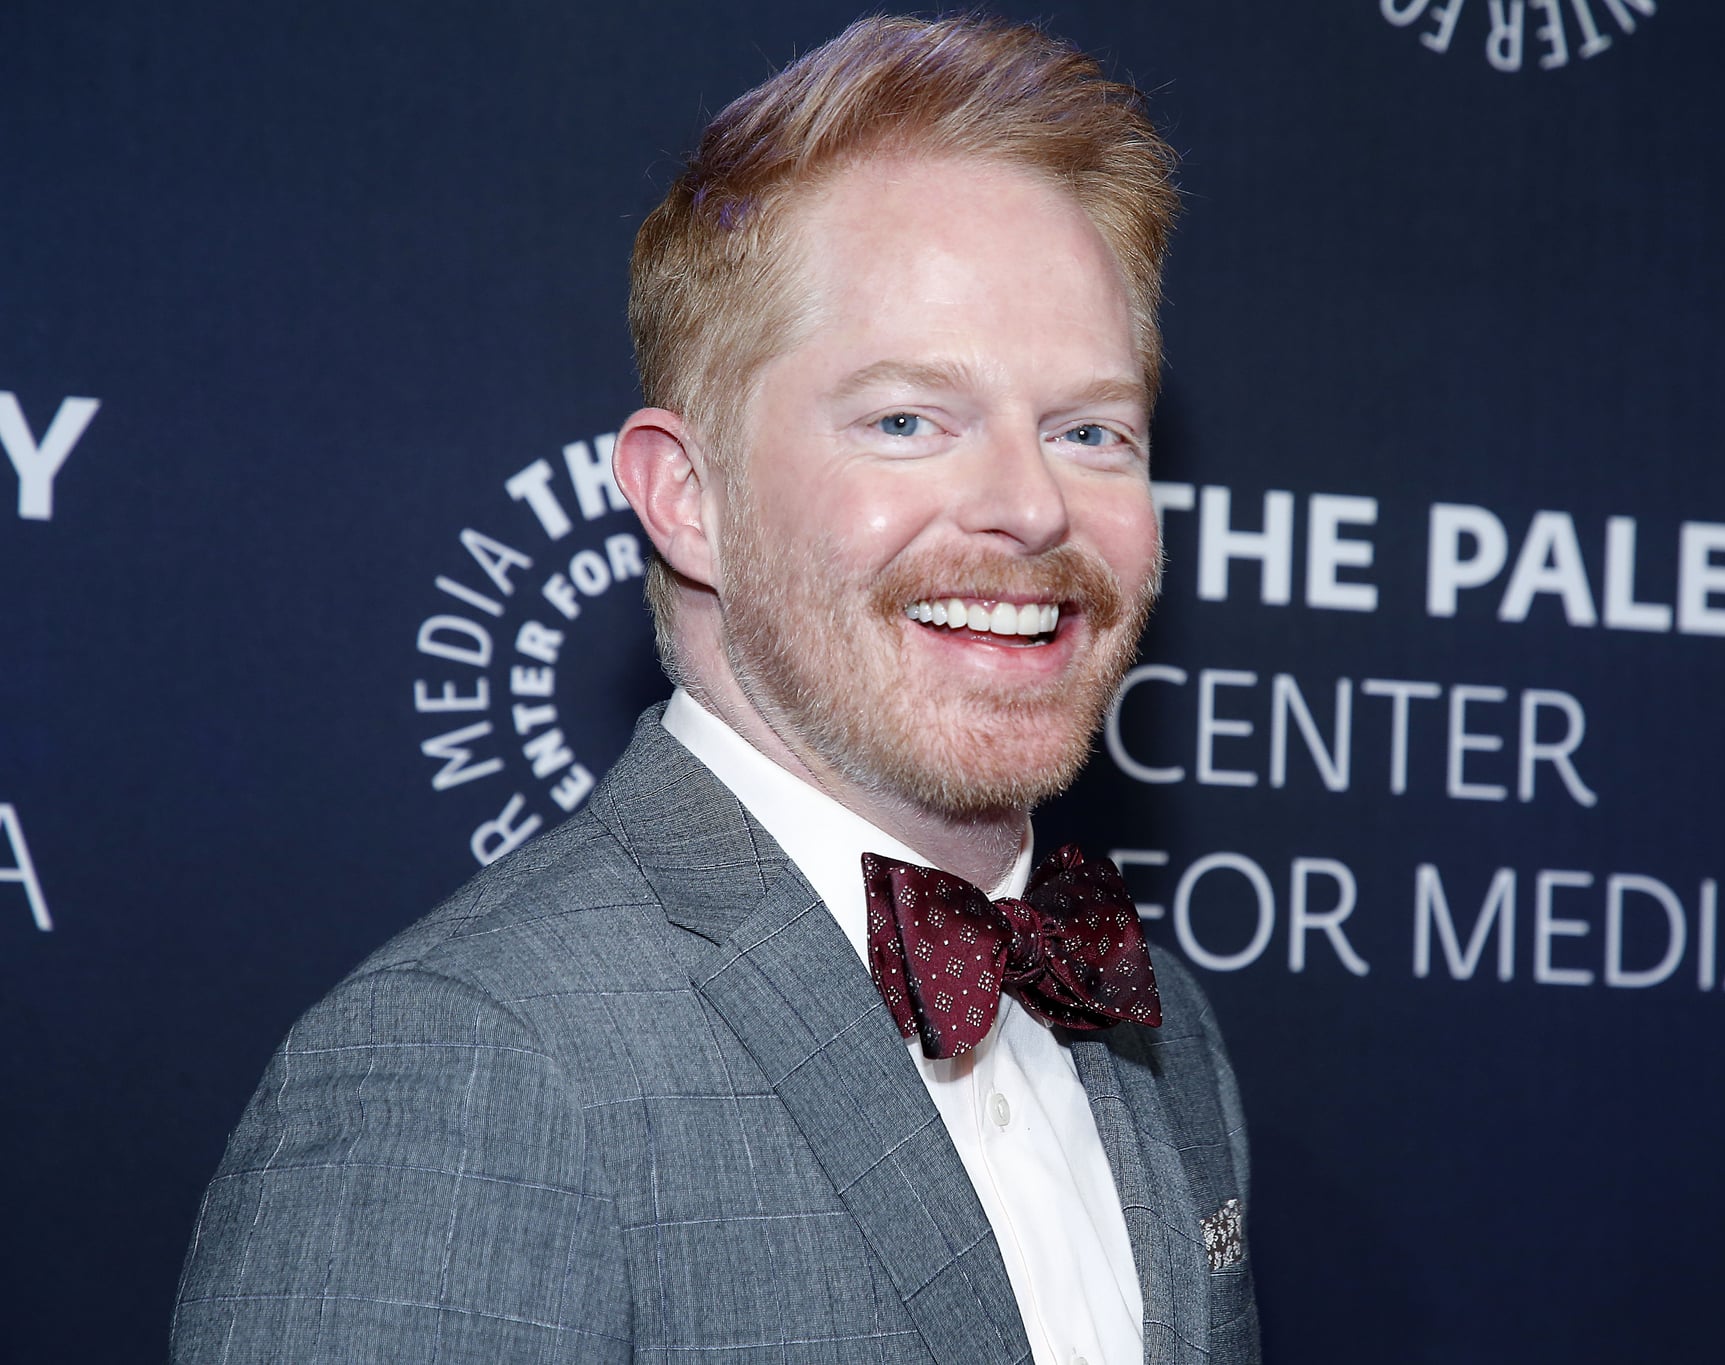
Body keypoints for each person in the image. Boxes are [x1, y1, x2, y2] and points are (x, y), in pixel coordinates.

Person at [172, 15, 1258, 1363]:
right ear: (688, 500)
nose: (1031, 506)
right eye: (908, 420)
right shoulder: (477, 1065)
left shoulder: (1164, 1031)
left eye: (1091, 430)